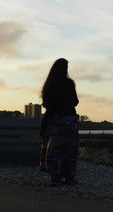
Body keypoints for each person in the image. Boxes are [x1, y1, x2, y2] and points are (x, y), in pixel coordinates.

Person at [39, 58, 79, 186]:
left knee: (53, 150)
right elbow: (75, 101)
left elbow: (45, 104)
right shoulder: (68, 83)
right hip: (67, 119)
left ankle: (55, 177)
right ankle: (69, 177)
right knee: (70, 150)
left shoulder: (49, 84)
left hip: (52, 120)